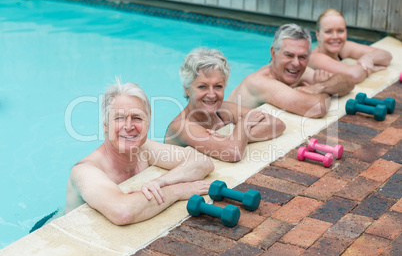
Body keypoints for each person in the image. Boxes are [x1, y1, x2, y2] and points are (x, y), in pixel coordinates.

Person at [66, 80, 214, 225]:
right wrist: (178, 190)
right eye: (119, 118)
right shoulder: (84, 170)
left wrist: (160, 182)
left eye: (137, 118)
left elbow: (202, 162)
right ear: (105, 125)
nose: (129, 126)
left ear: (147, 125)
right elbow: (123, 212)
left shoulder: (144, 149)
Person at [165, 48, 286, 163]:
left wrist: (235, 138)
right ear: (187, 89)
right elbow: (233, 152)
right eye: (202, 87)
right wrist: (243, 125)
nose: (212, 95)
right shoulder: (182, 126)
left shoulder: (223, 109)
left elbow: (277, 124)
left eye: (218, 86)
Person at [227, 24, 355, 118]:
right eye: (289, 55)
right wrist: (327, 91)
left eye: (302, 57)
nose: (296, 63)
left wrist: (319, 87)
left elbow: (348, 81)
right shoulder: (260, 82)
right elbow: (317, 108)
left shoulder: (297, 72)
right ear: (273, 53)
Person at [309, 9, 392, 84]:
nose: (335, 37)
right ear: (318, 36)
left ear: (346, 32)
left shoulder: (343, 47)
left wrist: (368, 58)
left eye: (340, 31)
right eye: (328, 32)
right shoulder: (314, 57)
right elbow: (355, 75)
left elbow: (387, 56)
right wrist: (369, 68)